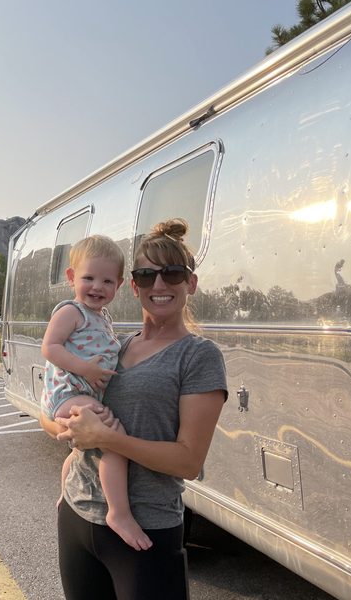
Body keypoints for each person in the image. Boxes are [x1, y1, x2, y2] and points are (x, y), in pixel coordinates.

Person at [41, 218, 228, 600]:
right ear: (133, 286)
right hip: (77, 514)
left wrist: (106, 438)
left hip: (145, 528)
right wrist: (68, 427)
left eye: (172, 273)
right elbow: (55, 416)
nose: (158, 285)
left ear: (190, 283)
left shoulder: (198, 356)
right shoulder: (115, 345)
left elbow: (188, 462)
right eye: (146, 275)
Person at [41, 234, 153, 551]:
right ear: (71, 277)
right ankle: (118, 513)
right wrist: (86, 369)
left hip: (81, 393)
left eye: (107, 281)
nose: (97, 287)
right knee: (113, 440)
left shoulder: (102, 317)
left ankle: (66, 493)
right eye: (88, 278)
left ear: (119, 285)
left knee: (80, 452)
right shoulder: (71, 312)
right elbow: (50, 347)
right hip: (68, 392)